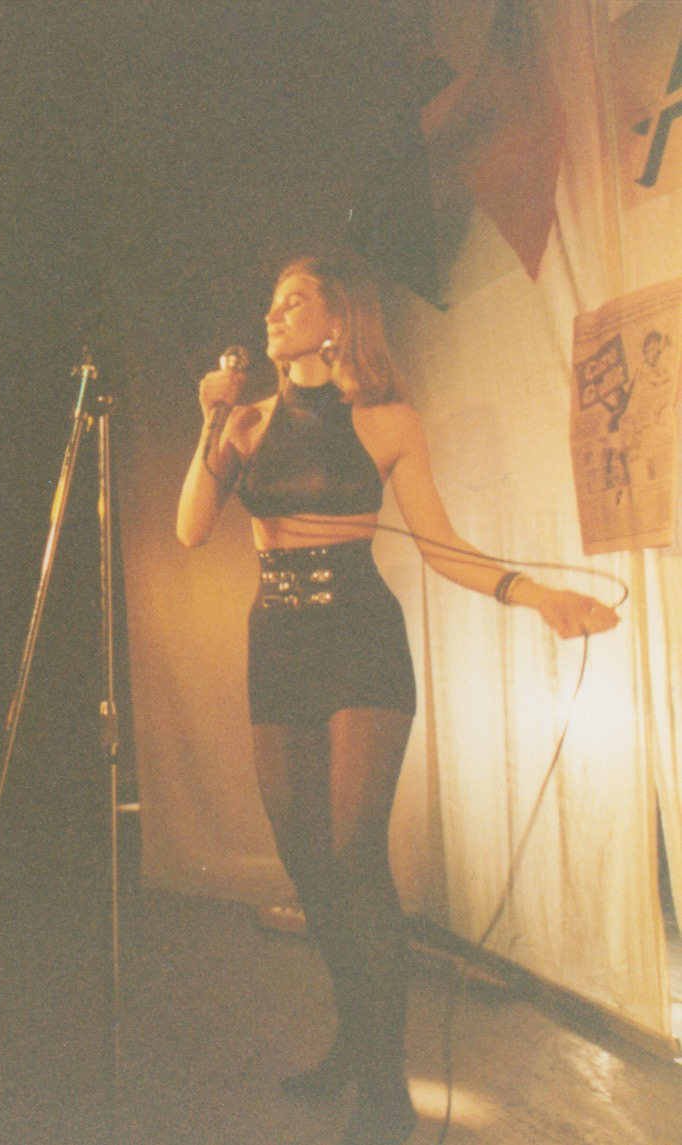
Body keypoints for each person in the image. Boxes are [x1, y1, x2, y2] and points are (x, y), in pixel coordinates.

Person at [176, 253, 619, 1145]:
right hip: (279, 644)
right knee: (306, 859)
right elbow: (191, 529)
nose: (273, 313)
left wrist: (538, 596)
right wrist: (210, 420)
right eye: (271, 301)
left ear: (339, 316)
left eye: (294, 300)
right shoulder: (247, 421)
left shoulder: (384, 420)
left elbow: (441, 545)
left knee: (352, 851)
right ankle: (355, 1037)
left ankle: (387, 1081)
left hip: (359, 643)